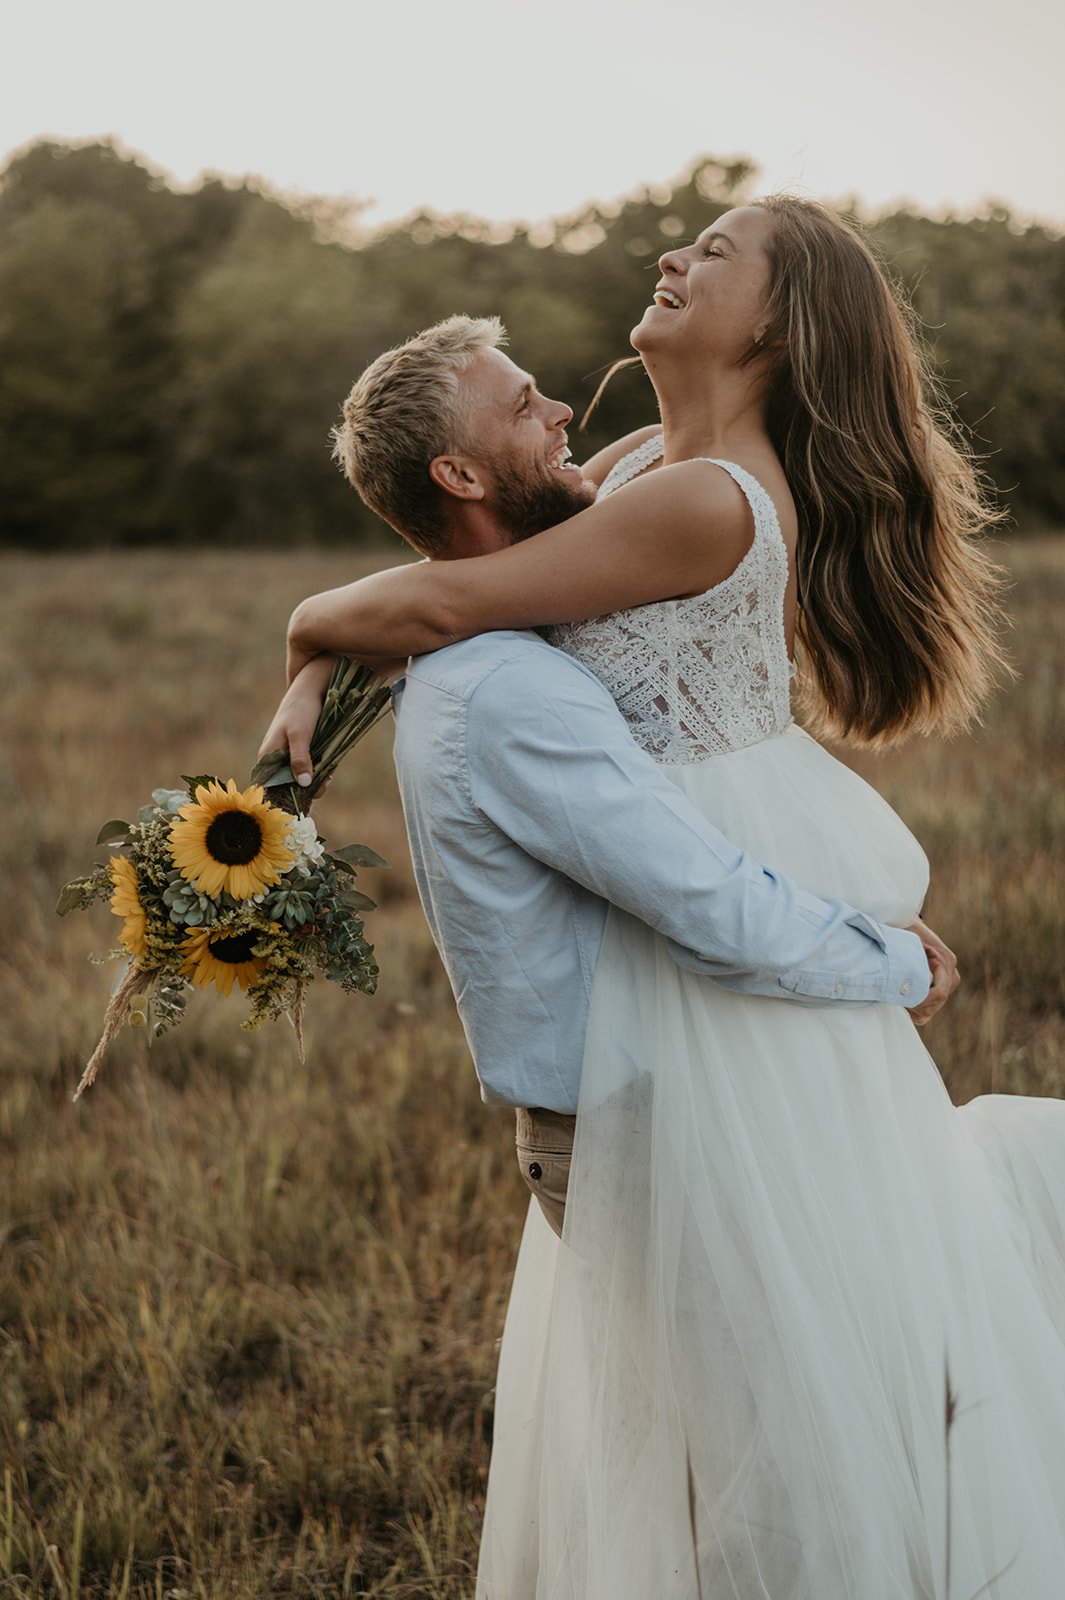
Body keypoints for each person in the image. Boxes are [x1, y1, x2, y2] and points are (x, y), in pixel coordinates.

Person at [268, 201, 1065, 1597]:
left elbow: (452, 605)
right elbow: (466, 587)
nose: (671, 259)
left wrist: (300, 638)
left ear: (773, 323)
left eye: (711, 253)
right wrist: (314, 669)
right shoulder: (642, 461)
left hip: (706, 890)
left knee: (786, 1334)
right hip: (670, 901)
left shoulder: (699, 498)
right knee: (777, 1314)